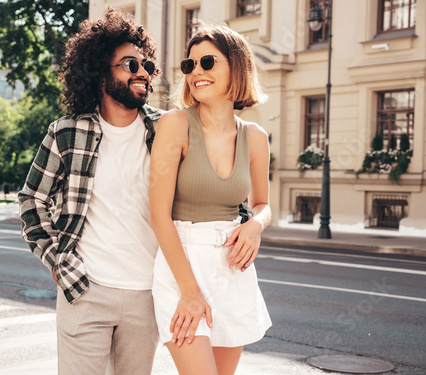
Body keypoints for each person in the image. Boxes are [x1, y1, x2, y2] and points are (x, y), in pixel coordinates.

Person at [18, 8, 163, 375]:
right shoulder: (67, 132)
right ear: (101, 73)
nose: (142, 72)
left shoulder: (166, 131)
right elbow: (31, 200)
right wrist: (57, 259)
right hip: (86, 290)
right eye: (130, 64)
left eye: (146, 64)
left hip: (147, 295)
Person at [149, 24, 272, 375]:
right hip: (182, 267)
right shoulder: (175, 124)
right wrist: (189, 292)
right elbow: (158, 214)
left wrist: (254, 226)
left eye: (207, 62)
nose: (196, 73)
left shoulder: (257, 138)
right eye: (189, 66)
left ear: (237, 66)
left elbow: (263, 204)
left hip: (233, 269)